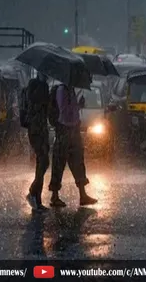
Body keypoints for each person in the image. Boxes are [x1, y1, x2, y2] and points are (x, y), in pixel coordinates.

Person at [49, 84, 97, 207]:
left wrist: (79, 105)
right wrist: (75, 106)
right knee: (59, 163)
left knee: (78, 162)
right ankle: (54, 196)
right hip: (65, 130)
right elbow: (64, 112)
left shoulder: (71, 90)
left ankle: (83, 195)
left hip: (74, 130)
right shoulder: (62, 90)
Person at [25, 72, 50, 211]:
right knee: (43, 161)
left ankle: (37, 199)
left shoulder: (44, 86)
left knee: (42, 163)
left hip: (42, 128)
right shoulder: (34, 85)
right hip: (35, 129)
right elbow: (35, 102)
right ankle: (32, 192)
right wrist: (42, 86)